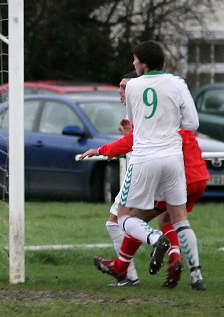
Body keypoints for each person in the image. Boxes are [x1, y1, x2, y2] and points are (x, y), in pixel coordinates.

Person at [85, 41, 205, 291]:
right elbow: (191, 123)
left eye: (135, 60)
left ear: (143, 63)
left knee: (123, 217)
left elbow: (134, 123)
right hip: (174, 159)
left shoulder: (134, 86)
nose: (133, 64)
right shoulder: (177, 82)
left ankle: (155, 239)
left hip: (145, 158)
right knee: (179, 219)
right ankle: (196, 277)